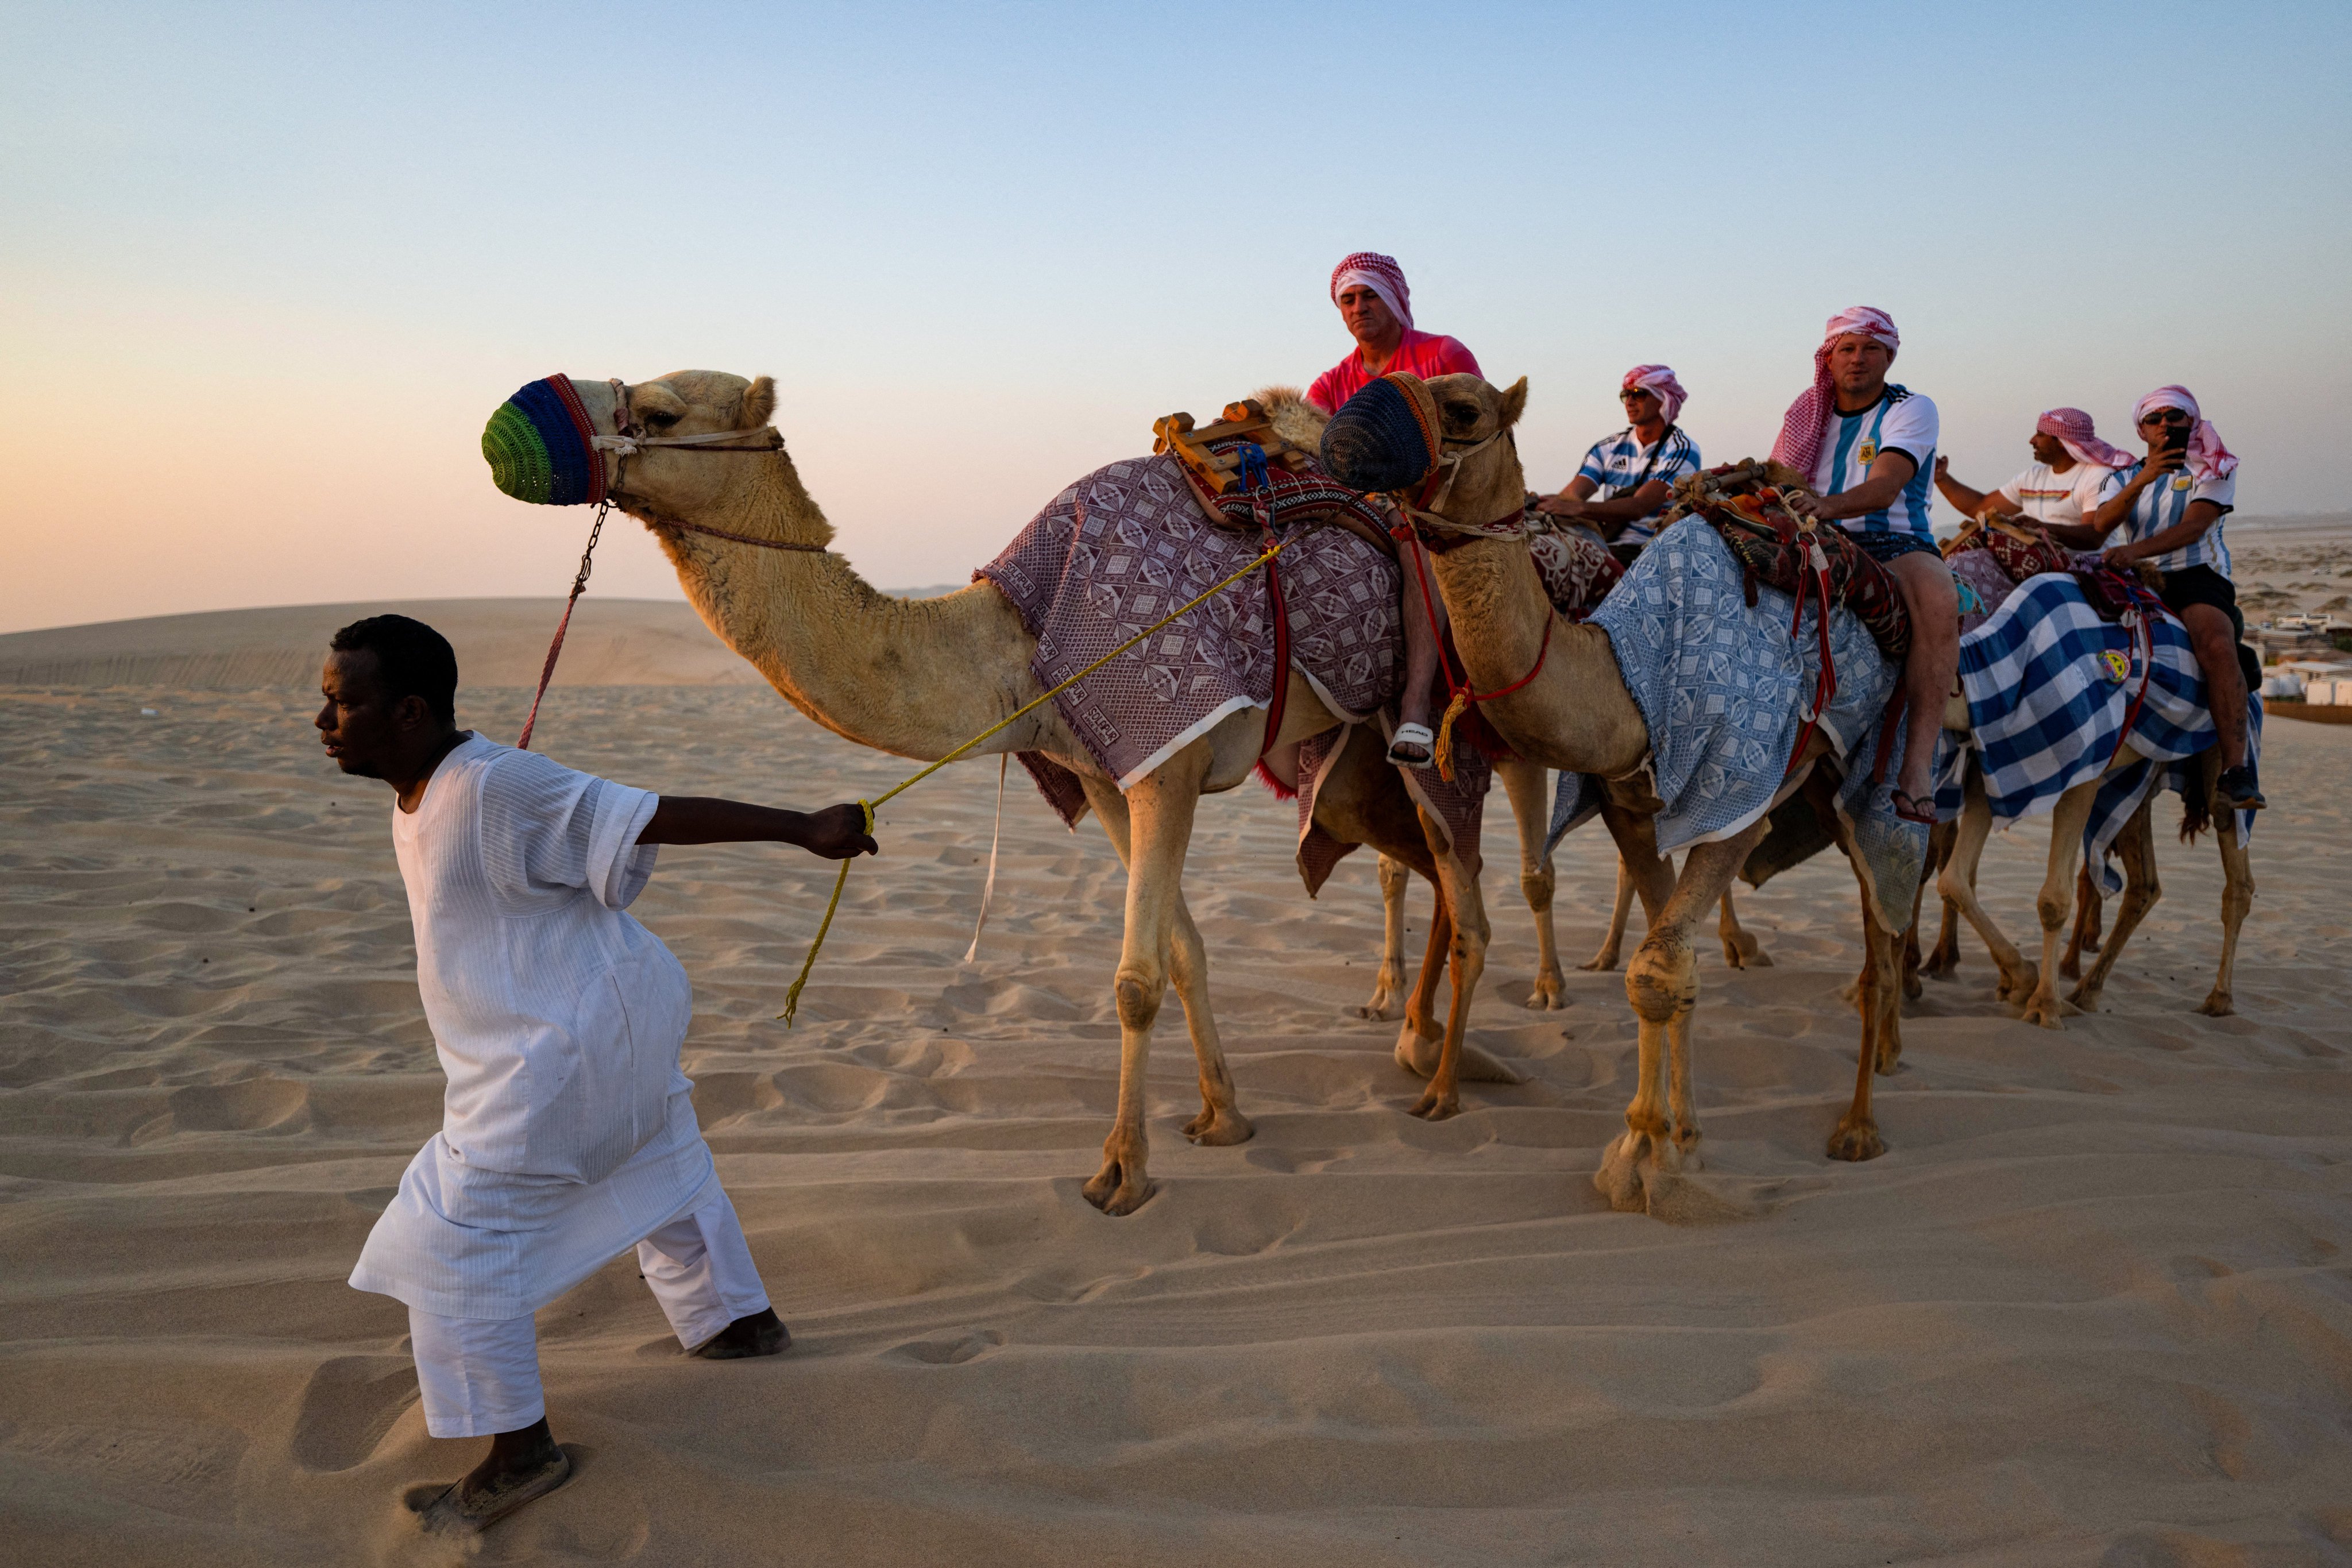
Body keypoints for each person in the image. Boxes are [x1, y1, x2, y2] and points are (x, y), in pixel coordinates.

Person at [320, 615, 876, 1535]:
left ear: (409, 711)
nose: (323, 720)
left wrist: (802, 828)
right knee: (654, 1155)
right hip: (613, 1022)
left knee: (452, 1237)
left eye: (342, 703)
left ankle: (518, 1448)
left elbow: (643, 811)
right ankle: (735, 1320)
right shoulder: (438, 789)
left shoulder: (492, 786)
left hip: (559, 1052)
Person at [1774, 306, 1954, 823]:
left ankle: (1916, 769)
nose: (1857, 359)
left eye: (1870, 349)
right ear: (1827, 359)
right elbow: (1781, 475)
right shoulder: (1806, 414)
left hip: (1893, 543)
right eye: (1845, 349)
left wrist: (1826, 506)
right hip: (1815, 537)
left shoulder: (1910, 408)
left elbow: (1887, 484)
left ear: (1889, 356)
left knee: (1938, 601)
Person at [1306, 252, 1483, 767]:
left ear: (1395, 300)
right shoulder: (1330, 384)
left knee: (1416, 547)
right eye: (1349, 299)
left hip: (1442, 502)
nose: (1359, 307)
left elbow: (1479, 435)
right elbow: (1312, 449)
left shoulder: (1443, 355)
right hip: (1362, 508)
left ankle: (1415, 705)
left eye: (1369, 296)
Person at [2045, 387, 2261, 809]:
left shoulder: (2213, 468)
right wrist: (2145, 477)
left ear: (2192, 422)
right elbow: (2102, 523)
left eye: (2175, 416)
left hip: (2193, 575)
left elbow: (2194, 526)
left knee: (2215, 643)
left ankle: (2236, 771)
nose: (2165, 424)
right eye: (2154, 418)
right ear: (2141, 430)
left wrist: (2135, 551)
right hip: (2134, 577)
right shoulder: (2122, 477)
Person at [1536, 365, 1702, 563]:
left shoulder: (1681, 450)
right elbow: (1571, 497)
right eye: (1626, 395)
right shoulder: (1607, 448)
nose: (1630, 402)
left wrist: (1578, 509)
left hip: (1650, 549)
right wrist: (1539, 503)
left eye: (1638, 394)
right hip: (1604, 545)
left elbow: (1638, 507)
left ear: (1663, 399)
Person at [1932, 407, 2134, 528]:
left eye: (2040, 435)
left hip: (2081, 568)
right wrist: (1941, 478)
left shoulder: (2099, 477)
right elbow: (1981, 508)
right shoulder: (2033, 478)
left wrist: (2041, 530)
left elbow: (2094, 535)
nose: (2032, 441)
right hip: (2035, 564)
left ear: (2062, 441)